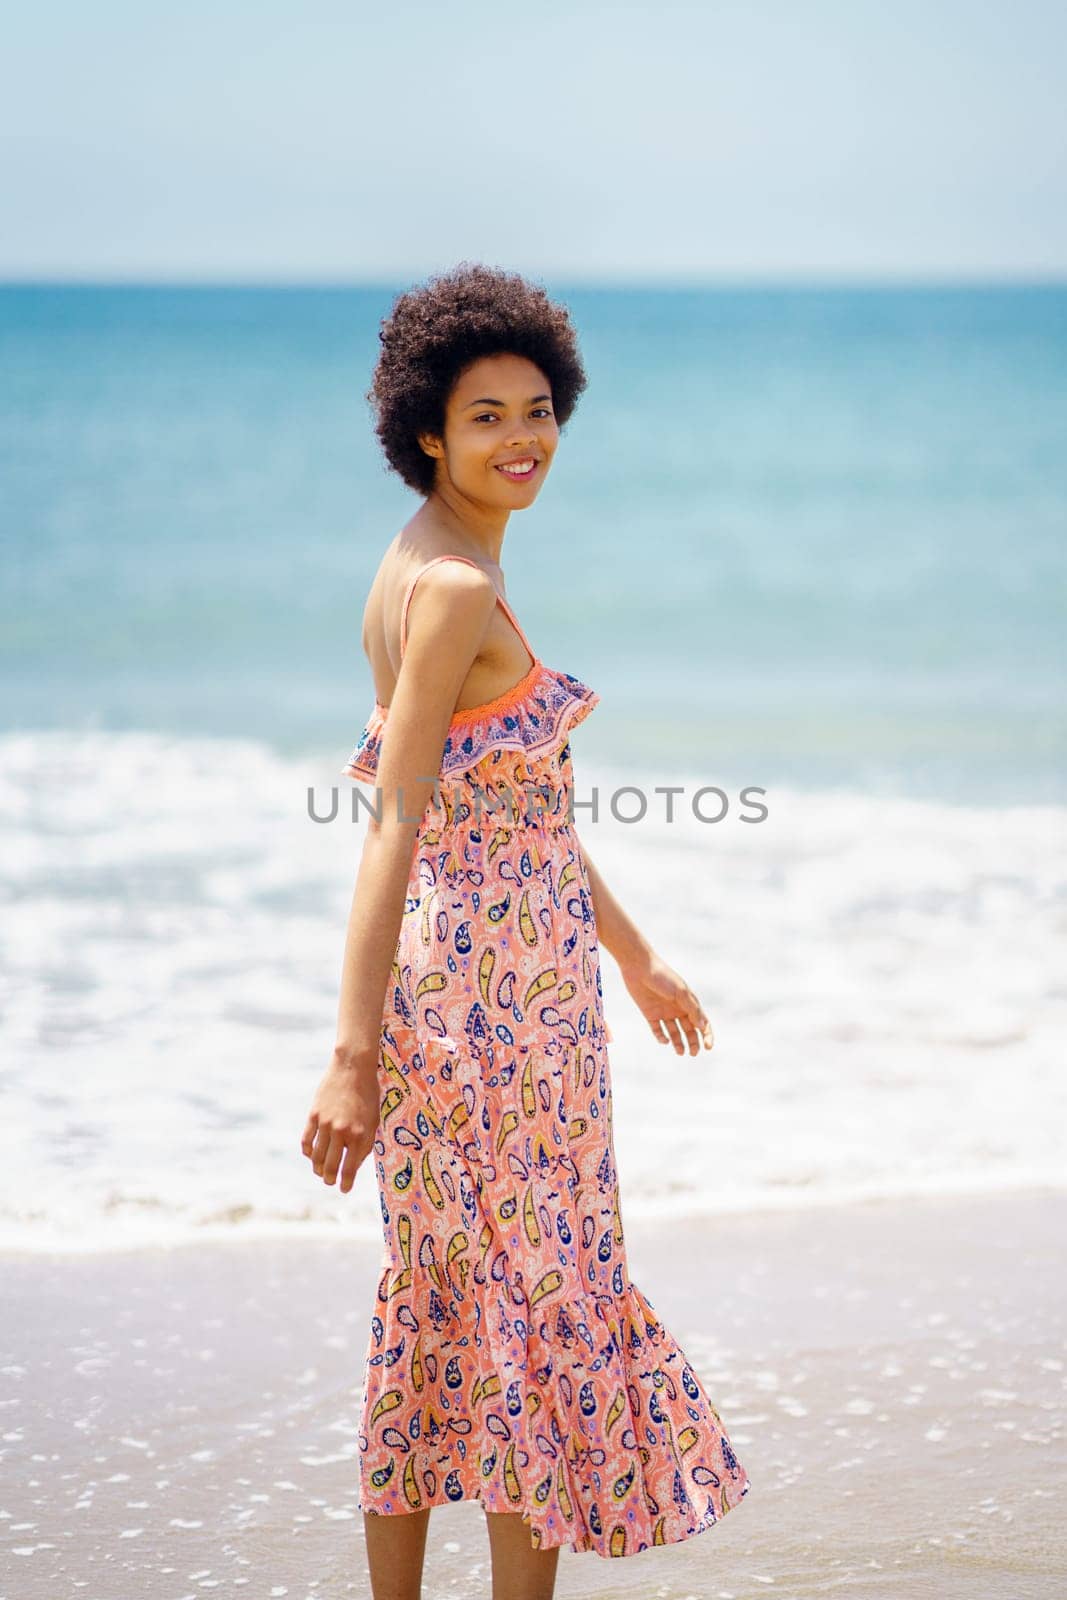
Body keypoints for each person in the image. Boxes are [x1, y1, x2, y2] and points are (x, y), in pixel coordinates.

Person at [301, 262, 751, 1600]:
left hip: (502, 985)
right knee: (525, 1317)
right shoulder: (449, 590)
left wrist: (630, 947)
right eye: (485, 415)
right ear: (425, 433)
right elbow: (393, 821)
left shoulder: (424, 563)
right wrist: (349, 1054)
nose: (522, 440)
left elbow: (509, 815)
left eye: (539, 409)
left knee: (453, 1308)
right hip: (495, 1015)